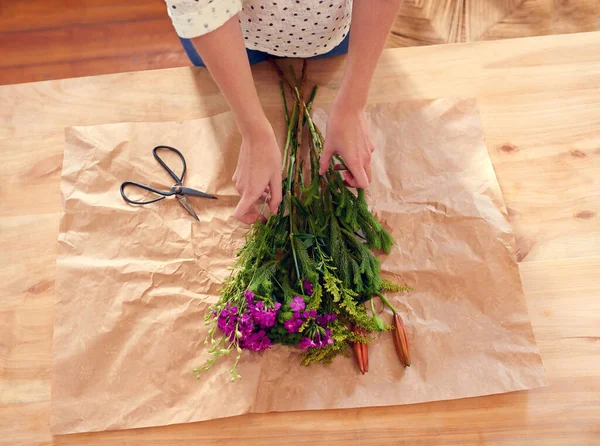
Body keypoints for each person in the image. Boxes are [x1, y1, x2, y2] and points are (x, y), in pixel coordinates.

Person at [164, 0, 401, 223]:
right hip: (223, 35)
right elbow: (199, 8)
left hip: (331, 29)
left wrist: (353, 104)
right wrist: (253, 131)